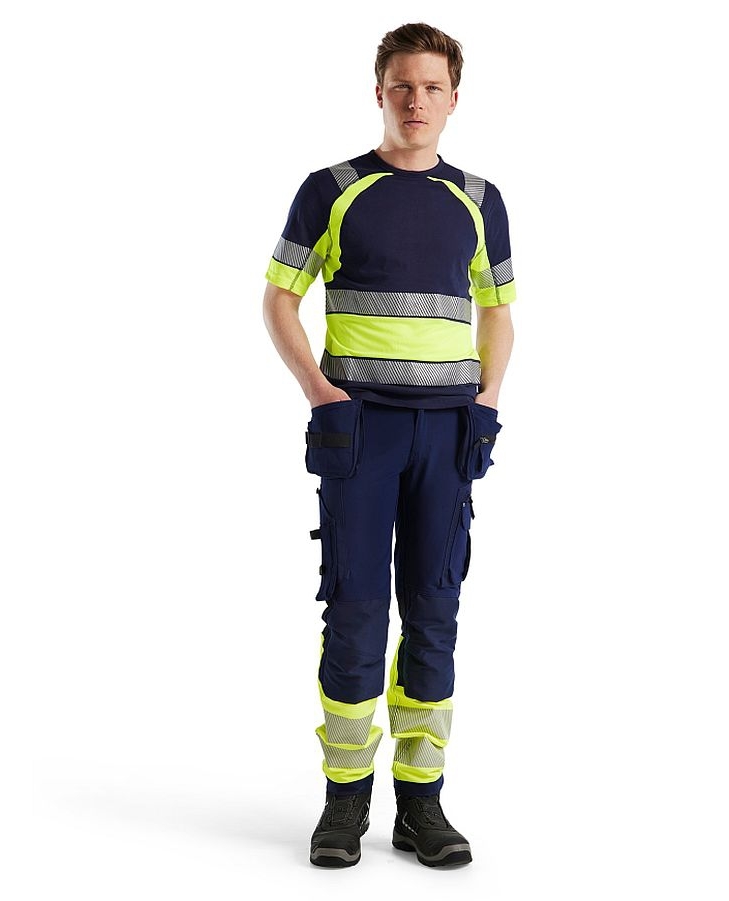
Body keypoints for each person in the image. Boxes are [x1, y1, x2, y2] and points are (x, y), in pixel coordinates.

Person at [262, 22, 516, 868]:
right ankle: (344, 802)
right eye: (402, 86)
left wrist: (486, 401)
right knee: (356, 610)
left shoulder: (478, 199)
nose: (416, 101)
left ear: (454, 98)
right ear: (380, 92)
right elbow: (278, 298)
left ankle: (421, 803)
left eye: (432, 87)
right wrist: (320, 391)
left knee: (435, 612)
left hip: (448, 432)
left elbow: (498, 312)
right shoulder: (332, 189)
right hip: (360, 430)